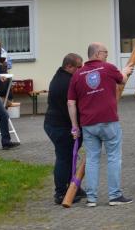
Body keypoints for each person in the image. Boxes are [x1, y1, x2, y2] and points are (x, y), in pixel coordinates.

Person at [68, 42, 134, 207]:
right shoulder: (108, 68)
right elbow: (122, 80)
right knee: (113, 157)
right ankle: (115, 196)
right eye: (105, 52)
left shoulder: (77, 74)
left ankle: (91, 198)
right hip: (108, 120)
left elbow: (71, 103)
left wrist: (75, 126)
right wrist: (125, 71)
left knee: (92, 159)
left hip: (88, 124)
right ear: (97, 54)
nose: (107, 55)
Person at [44, 53, 85, 205]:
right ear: (69, 66)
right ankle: (60, 193)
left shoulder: (63, 76)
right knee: (64, 159)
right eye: (78, 67)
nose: (81, 70)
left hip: (57, 124)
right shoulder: (66, 82)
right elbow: (73, 105)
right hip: (59, 126)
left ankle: (73, 187)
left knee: (69, 157)